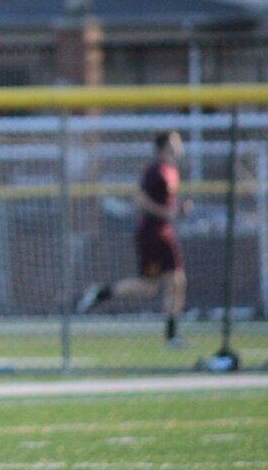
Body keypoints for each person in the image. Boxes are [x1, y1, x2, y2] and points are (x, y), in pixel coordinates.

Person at [76, 130, 193, 347]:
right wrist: (167, 213)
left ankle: (102, 293)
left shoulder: (171, 170)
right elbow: (141, 200)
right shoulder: (156, 169)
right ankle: (171, 336)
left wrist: (177, 211)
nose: (179, 145)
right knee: (166, 282)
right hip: (152, 233)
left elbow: (166, 205)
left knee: (159, 284)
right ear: (165, 145)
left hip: (164, 231)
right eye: (175, 141)